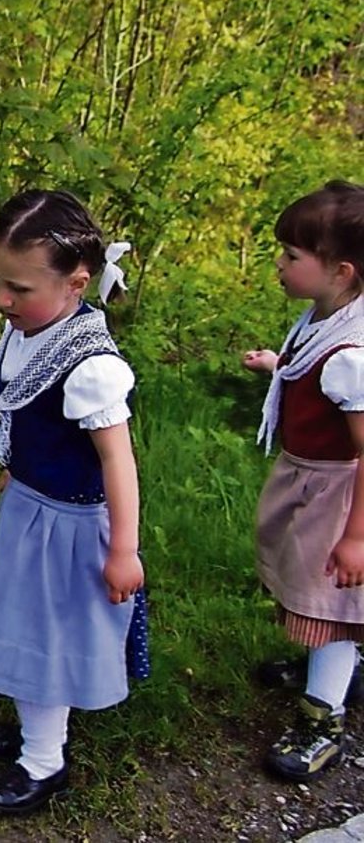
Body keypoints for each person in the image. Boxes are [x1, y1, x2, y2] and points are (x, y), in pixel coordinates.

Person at [0, 189, 147, 815]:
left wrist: (123, 549)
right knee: (20, 628)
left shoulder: (90, 367)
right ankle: (33, 737)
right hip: (32, 507)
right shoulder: (31, 329)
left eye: (18, 288)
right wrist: (15, 471)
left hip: (71, 526)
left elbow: (116, 459)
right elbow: (25, 413)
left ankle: (43, 763)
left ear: (77, 282)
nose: (2, 300)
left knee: (45, 640)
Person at [242, 180, 364, 781]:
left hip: (338, 494)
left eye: (292, 256)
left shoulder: (350, 355)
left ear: (341, 271)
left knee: (332, 605)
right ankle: (333, 666)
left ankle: (324, 718)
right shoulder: (324, 319)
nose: (280, 265)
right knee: (308, 588)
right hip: (307, 480)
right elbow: (308, 368)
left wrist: (357, 536)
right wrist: (278, 368)